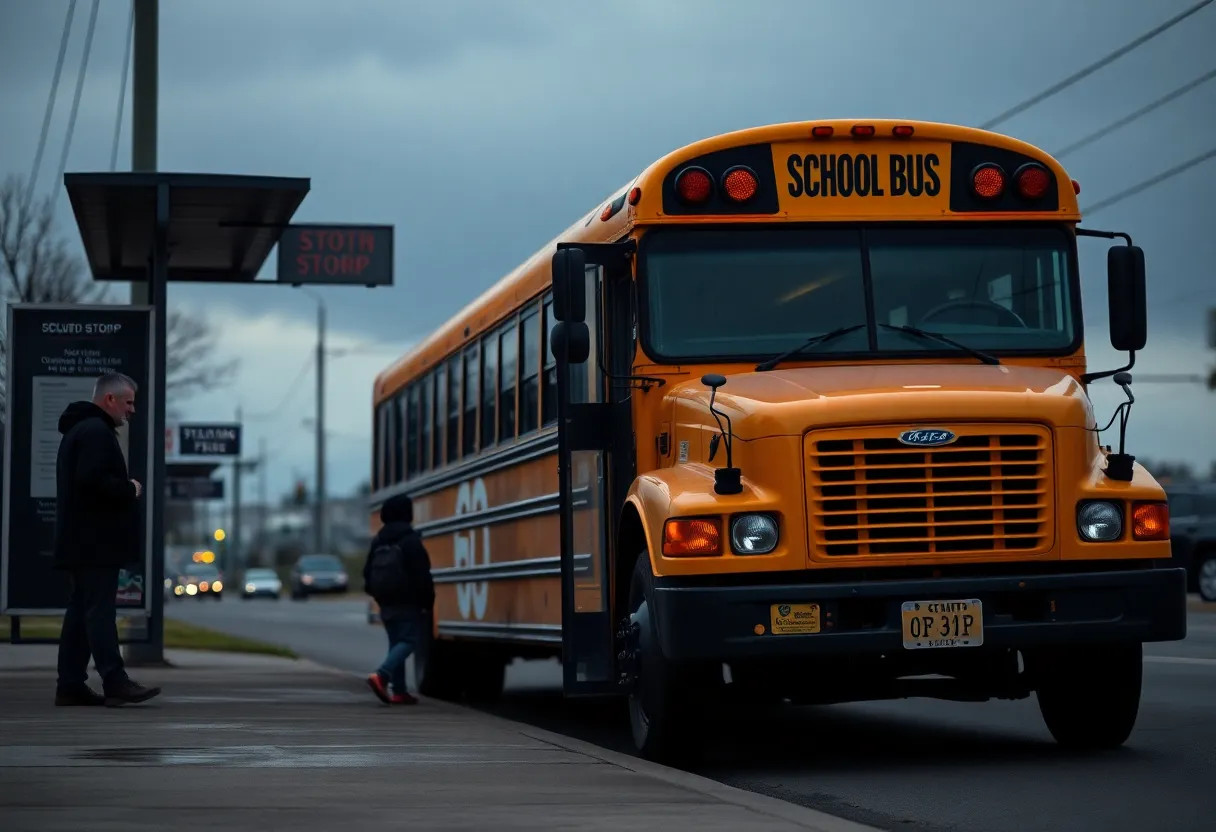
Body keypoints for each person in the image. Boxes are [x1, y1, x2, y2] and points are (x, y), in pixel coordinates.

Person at [53, 371, 161, 707]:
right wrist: (130, 488)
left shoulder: (80, 430)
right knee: (100, 612)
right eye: (128, 402)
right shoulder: (96, 432)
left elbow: (86, 480)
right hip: (95, 543)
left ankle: (70, 685)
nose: (132, 410)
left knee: (80, 612)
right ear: (109, 399)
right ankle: (115, 681)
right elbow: (93, 479)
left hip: (81, 540)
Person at [362, 493, 434, 705]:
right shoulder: (410, 541)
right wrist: (427, 602)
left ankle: (399, 691)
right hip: (408, 601)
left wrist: (377, 594)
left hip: (385, 601)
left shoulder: (378, 541)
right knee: (409, 641)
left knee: (396, 642)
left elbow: (367, 573)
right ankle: (382, 675)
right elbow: (422, 575)